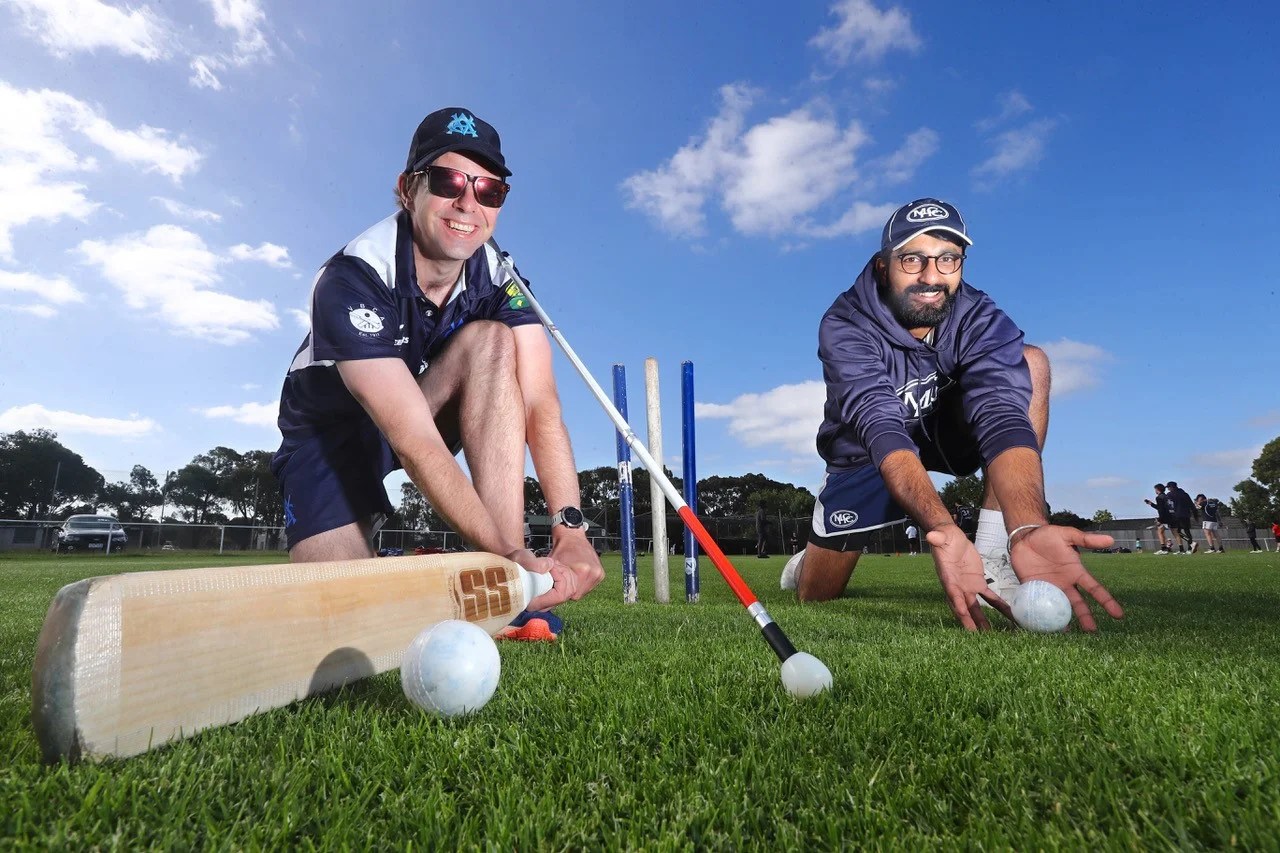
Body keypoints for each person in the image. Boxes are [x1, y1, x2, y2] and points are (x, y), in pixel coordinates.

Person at [271, 107, 604, 612]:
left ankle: (505, 583)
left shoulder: (499, 275)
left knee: (493, 340)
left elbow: (541, 403)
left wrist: (570, 527)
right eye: (450, 181)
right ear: (408, 189)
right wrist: (511, 552)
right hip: (330, 440)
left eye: (490, 190)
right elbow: (416, 442)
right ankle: (494, 557)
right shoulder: (350, 278)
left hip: (420, 403)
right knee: (349, 611)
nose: (469, 203)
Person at [779, 198, 1123, 631]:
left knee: (1031, 362)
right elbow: (880, 426)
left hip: (945, 430)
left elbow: (1001, 415)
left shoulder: (978, 315)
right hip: (869, 449)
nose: (931, 276)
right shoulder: (846, 323)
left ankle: (997, 550)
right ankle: (810, 560)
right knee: (816, 593)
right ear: (884, 266)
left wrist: (1027, 526)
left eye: (948, 259)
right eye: (912, 259)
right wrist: (942, 528)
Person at [1143, 483, 1176, 554]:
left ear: (1157, 490)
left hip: (1164, 518)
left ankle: (1163, 549)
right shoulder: (1166, 496)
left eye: (1155, 489)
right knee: (1174, 532)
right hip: (1171, 516)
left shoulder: (1159, 498)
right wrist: (1151, 504)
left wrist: (1160, 519)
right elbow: (1160, 507)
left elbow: (1161, 510)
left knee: (1160, 532)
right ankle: (1183, 546)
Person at [1166, 481, 1198, 553]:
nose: (1168, 489)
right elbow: (1191, 505)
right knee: (1187, 531)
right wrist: (1194, 514)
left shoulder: (1170, 495)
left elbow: (1169, 505)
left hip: (1176, 515)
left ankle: (1191, 543)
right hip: (1186, 514)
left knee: (1177, 532)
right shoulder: (1185, 494)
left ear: (1171, 487)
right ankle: (1190, 549)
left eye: (1168, 487)